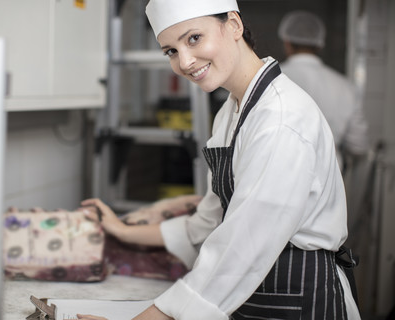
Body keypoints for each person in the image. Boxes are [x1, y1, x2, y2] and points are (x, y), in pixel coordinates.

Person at [78, 0, 361, 319]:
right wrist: (123, 230)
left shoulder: (281, 120)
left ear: (234, 25)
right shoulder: (231, 111)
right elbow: (207, 222)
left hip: (298, 299)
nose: (184, 61)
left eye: (194, 38)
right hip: (256, 294)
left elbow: (242, 247)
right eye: (170, 50)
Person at [278, 10, 369, 170]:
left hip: (280, 172)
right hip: (329, 177)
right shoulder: (344, 86)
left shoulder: (271, 78)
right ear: (320, 44)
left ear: (286, 42)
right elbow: (358, 145)